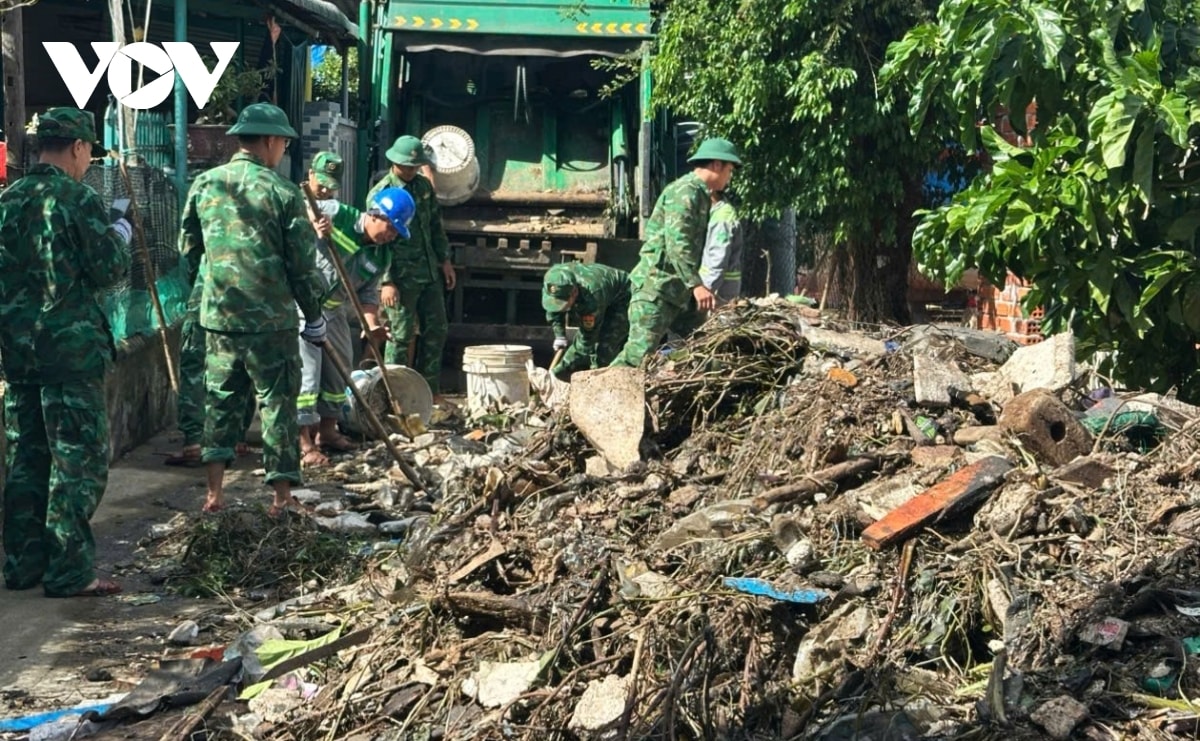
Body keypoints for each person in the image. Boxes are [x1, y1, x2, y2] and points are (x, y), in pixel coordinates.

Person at [0, 107, 131, 597]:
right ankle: (70, 571)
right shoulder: (78, 199)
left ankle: (21, 564)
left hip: (18, 352)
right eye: (88, 153)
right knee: (78, 461)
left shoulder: (8, 200)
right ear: (79, 147)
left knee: (27, 459)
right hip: (70, 354)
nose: (87, 162)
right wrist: (121, 229)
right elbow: (107, 270)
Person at [179, 103, 326, 515]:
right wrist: (313, 315)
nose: (282, 150)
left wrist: (210, 293)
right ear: (269, 141)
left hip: (220, 319)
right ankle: (281, 498)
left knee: (220, 400)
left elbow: (188, 250)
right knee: (277, 404)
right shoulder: (282, 193)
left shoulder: (205, 184)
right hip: (270, 323)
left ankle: (214, 495)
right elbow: (301, 264)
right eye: (282, 142)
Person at [299, 166, 416, 468]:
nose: (390, 236)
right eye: (389, 228)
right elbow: (300, 203)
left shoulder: (381, 255)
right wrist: (315, 223)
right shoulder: (340, 214)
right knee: (308, 372)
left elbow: (367, 295)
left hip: (334, 310)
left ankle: (328, 431)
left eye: (396, 233)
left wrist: (373, 323)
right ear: (376, 215)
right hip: (305, 304)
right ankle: (304, 442)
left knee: (340, 371)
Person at [609, 138, 741, 367]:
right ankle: (597, 398)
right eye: (729, 170)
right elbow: (678, 243)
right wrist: (696, 285)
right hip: (656, 288)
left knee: (701, 344)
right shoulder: (686, 192)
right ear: (717, 165)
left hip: (676, 292)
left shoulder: (701, 195)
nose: (729, 178)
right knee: (637, 357)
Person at [368, 135, 457, 399]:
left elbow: (434, 227)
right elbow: (376, 241)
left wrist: (445, 261)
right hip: (400, 277)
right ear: (394, 162)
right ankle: (395, 395)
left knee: (437, 329)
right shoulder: (381, 193)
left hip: (429, 272)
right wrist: (386, 280)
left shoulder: (424, 188)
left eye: (415, 166)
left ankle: (429, 392)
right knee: (400, 335)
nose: (410, 170)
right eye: (406, 165)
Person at [542, 262, 631, 380]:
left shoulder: (592, 297)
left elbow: (586, 340)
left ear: (574, 293)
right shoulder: (554, 279)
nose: (560, 306)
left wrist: (557, 370)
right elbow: (553, 309)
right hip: (602, 292)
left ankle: (600, 381)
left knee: (605, 346)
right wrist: (560, 336)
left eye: (563, 302)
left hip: (623, 297)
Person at [699, 190, 743, 304]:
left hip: (719, 288)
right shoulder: (717, 213)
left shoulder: (722, 217)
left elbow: (717, 259)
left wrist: (705, 290)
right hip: (720, 285)